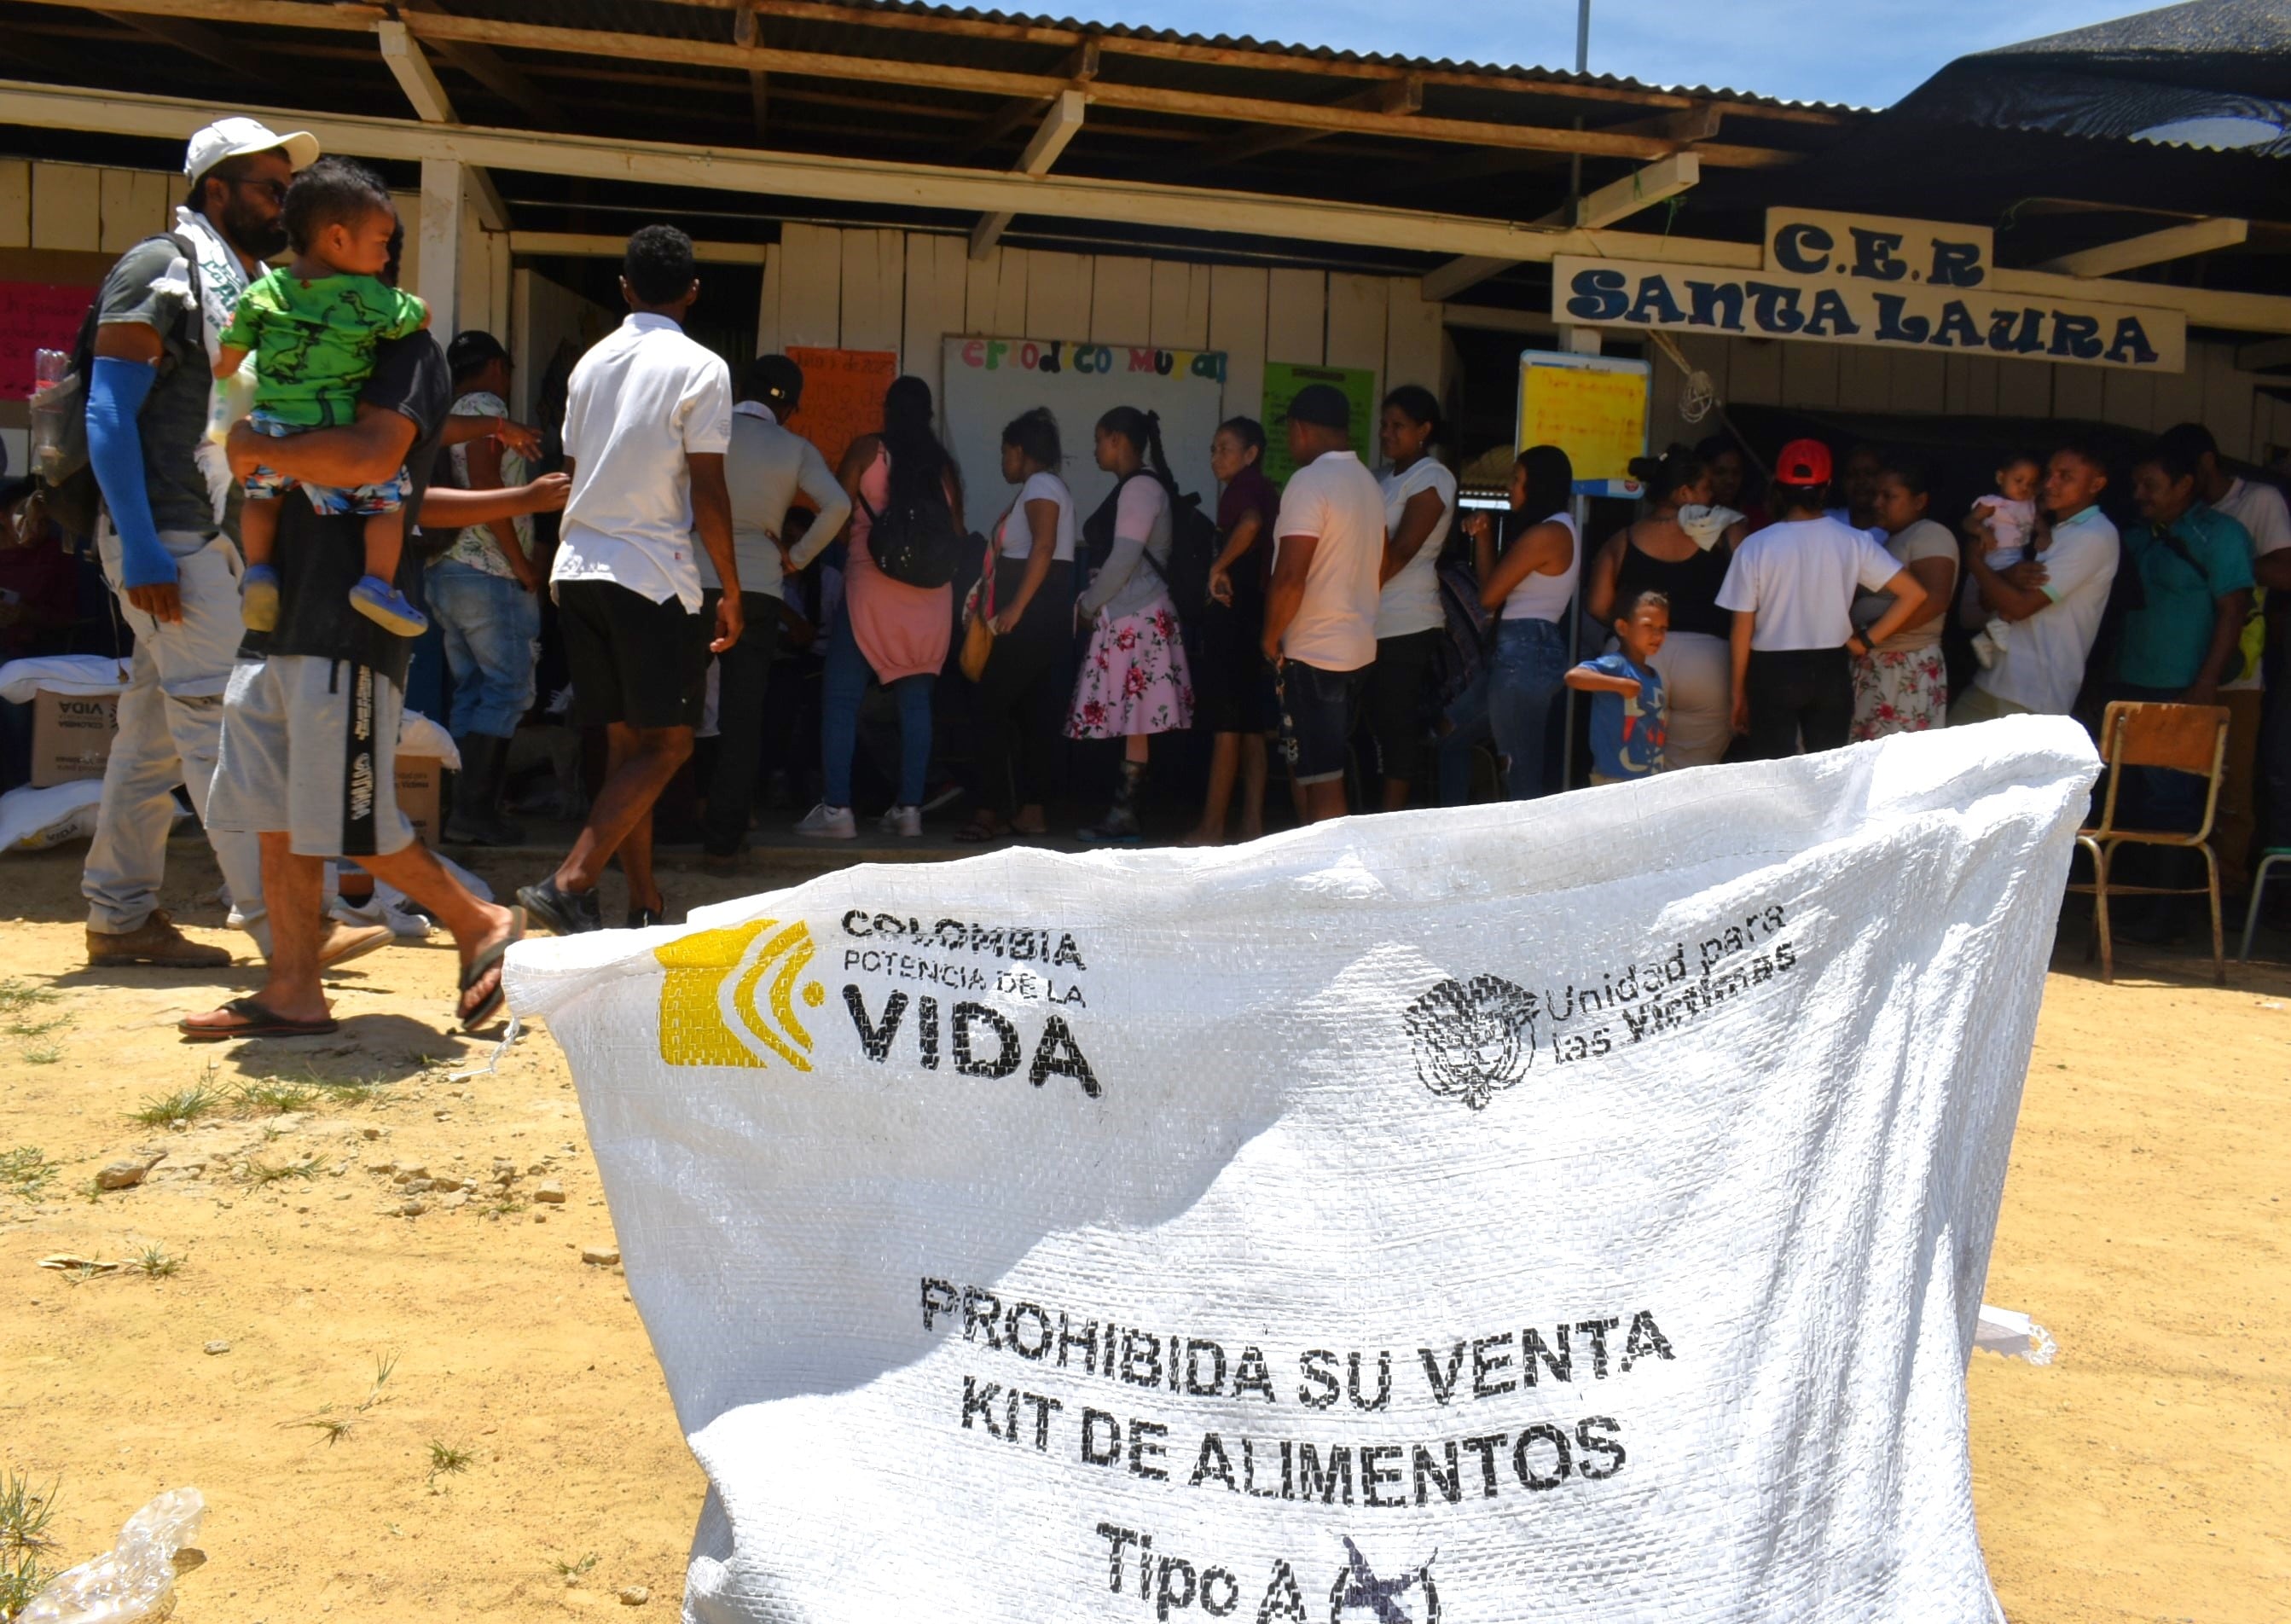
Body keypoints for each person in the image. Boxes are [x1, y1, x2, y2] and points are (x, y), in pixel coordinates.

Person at [182, 219, 562, 1041]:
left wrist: (262, 445)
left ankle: (480, 921)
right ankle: (293, 988)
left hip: (350, 621)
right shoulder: (271, 336)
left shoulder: (404, 347)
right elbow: (233, 441)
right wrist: (252, 443)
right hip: (272, 613)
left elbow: (374, 463)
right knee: (277, 816)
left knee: (348, 815)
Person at [81, 115, 318, 970]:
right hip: (169, 539)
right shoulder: (163, 266)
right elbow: (108, 410)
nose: (283, 205)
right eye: (269, 189)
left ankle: (119, 915)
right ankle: (283, 929)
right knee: (224, 726)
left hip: (211, 534)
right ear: (215, 190)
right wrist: (142, 545)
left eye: (288, 190)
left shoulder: (248, 283)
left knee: (151, 741)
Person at [519, 225, 739, 932]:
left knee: (623, 748)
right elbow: (708, 488)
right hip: (650, 575)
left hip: (578, 568)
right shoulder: (702, 366)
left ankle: (643, 901)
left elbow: (573, 472)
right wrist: (731, 588)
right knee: (670, 743)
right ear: (693, 292)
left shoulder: (588, 366)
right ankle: (571, 882)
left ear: (624, 288)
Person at [215, 157, 431, 639]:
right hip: (334, 433)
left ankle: (260, 571)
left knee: (261, 500)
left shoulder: (261, 292)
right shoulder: (370, 297)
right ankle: (377, 583)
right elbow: (419, 315)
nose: (384, 256)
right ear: (337, 238)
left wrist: (229, 377)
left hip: (272, 426)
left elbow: (228, 359)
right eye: (380, 242)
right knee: (388, 504)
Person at [2101, 438, 2256, 942]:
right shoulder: (2133, 535)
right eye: (2136, 485)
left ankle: (2167, 917)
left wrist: (2206, 682)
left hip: (2182, 687)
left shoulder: (2221, 535)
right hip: (2127, 685)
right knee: (2128, 800)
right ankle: (2133, 906)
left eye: (2151, 485)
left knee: (2172, 803)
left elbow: (2233, 611)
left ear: (2186, 484)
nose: (2139, 495)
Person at [796, 374, 959, 841]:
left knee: (842, 698)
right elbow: (956, 530)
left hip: (871, 588)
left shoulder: (869, 451)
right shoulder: (943, 467)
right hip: (931, 597)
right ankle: (909, 811)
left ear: (886, 410)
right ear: (928, 415)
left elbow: (836, 517)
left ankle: (837, 811)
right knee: (916, 702)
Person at [702, 353, 848, 862]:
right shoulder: (795, 447)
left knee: (675, 710)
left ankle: (662, 823)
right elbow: (839, 506)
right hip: (760, 589)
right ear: (790, 409)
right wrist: (797, 558)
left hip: (694, 581)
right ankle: (724, 842)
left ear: (740, 387)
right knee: (742, 719)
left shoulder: (705, 433)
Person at [1717, 438, 1928, 759]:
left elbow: (1742, 627)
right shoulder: (1855, 541)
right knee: (1828, 768)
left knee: (1773, 771)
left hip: (1771, 670)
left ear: (1778, 487)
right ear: (1828, 487)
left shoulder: (1755, 546)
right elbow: (1914, 593)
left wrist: (1737, 692)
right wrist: (1866, 641)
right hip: (1830, 668)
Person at [2156, 420, 2291, 898]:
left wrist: (2227, 563)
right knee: (2177, 782)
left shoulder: (2258, 501)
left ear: (2205, 465)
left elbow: (2286, 570)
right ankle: (2180, 886)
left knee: (2233, 782)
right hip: (2179, 661)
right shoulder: (2180, 515)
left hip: (2239, 665)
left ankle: (2228, 888)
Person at [429, 330, 545, 845]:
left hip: (447, 568)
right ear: (497, 366)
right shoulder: (488, 408)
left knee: (473, 689)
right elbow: (485, 482)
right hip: (488, 570)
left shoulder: (448, 413)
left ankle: (458, 810)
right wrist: (521, 563)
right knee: (509, 688)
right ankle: (475, 812)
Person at [1067, 406, 1195, 844]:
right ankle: (1125, 811)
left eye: (1099, 439)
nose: (1095, 449)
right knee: (1135, 717)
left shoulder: (1139, 488)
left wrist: (1089, 605)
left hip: (1135, 616)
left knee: (1134, 716)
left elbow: (1124, 557)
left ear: (1117, 440)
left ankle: (1125, 812)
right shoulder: (1141, 486)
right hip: (1135, 613)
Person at [1262, 383, 1388, 823]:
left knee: (1323, 779)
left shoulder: (1309, 481)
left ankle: (1333, 866)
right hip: (1358, 648)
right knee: (1318, 771)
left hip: (1315, 651)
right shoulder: (1369, 484)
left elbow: (1290, 577)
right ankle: (1315, 859)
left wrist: (1269, 637)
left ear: (1299, 429)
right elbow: (1382, 563)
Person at [1584, 443, 1742, 771]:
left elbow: (1597, 605)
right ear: (1685, 493)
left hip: (1636, 660)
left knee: (1627, 772)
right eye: (1705, 488)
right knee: (1691, 776)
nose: (1711, 497)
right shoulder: (1726, 533)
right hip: (1706, 664)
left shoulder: (1622, 541)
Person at [957, 407, 1071, 844]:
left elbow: (1043, 546)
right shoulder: (1046, 486)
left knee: (987, 707)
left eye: (1005, 452)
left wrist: (1016, 608)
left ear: (1021, 452)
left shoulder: (1040, 485)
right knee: (1033, 714)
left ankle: (988, 811)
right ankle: (1031, 811)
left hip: (1028, 618)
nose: (1003, 461)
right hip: (1042, 617)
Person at [1437, 445, 1578, 802]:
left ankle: (1526, 839)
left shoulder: (1547, 534)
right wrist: (1485, 537)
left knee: (1520, 771)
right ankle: (1453, 824)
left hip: (1524, 652)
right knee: (1450, 735)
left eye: (1516, 480)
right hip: (1520, 652)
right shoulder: (1555, 530)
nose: (1509, 487)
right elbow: (1493, 591)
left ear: (1538, 485)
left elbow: (1488, 598)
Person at [1952, 443, 2120, 726]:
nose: (2050, 484)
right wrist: (2006, 577)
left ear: (2096, 484)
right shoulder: (2048, 530)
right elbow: (1988, 600)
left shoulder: (2093, 535)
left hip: (2037, 691)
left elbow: (2019, 607)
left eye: (2065, 476)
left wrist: (1975, 561)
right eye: (2049, 474)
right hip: (1995, 677)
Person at [1183, 416, 1281, 845]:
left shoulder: (1242, 491)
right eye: (1213, 448)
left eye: (1225, 448)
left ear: (1250, 454)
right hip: (1258, 614)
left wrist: (1217, 566)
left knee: (1226, 724)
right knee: (1251, 726)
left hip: (1234, 616)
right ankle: (1252, 824)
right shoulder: (1265, 488)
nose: (1215, 457)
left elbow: (1252, 524)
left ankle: (1212, 827)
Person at [1365, 386, 1455, 811]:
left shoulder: (1432, 477)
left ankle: (1391, 824)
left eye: (1398, 425)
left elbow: (1401, 552)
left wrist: (1348, 595)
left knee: (1396, 725)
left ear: (1424, 430)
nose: (1387, 432)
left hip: (1407, 621)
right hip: (1371, 620)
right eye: (1384, 424)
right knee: (1372, 723)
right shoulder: (1380, 477)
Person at [1850, 455, 1958, 740]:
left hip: (1905, 667)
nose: (1877, 503)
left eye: (1889, 496)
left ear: (1919, 501)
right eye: (1876, 495)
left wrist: (1869, 637)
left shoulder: (1930, 534)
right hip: (1880, 664)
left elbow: (1935, 600)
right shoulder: (1891, 538)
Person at [1566, 589, 1668, 786]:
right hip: (1613, 778)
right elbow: (1574, 676)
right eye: (1648, 626)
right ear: (1622, 627)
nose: (1657, 634)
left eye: (1663, 628)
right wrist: (1620, 685)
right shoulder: (1617, 664)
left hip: (1647, 777)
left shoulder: (1653, 675)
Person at [1697, 432, 1766, 533]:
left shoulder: (1755, 519)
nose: (1730, 480)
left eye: (1736, 473)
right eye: (1720, 472)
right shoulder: (1688, 519)